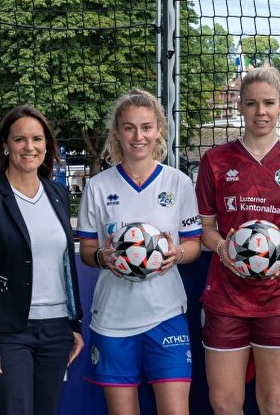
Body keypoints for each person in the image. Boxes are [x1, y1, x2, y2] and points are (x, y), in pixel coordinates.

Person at [195, 66, 280, 415]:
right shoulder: (215, 161)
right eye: (251, 104)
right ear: (240, 107)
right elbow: (206, 228)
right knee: (224, 403)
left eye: (267, 103)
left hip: (278, 297)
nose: (260, 112)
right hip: (225, 296)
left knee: (275, 403)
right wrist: (222, 248)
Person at [76, 89, 202, 415]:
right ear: (117, 131)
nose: (138, 136)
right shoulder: (98, 186)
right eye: (129, 127)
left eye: (146, 127)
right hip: (113, 321)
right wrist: (103, 258)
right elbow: (87, 250)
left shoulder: (178, 183)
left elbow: (193, 245)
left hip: (166, 315)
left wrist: (178, 254)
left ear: (159, 129)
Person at [0, 105, 85, 415]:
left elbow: (65, 264)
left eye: (37, 139)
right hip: (8, 334)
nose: (29, 147)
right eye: (20, 139)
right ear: (6, 145)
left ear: (47, 145)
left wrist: (74, 323)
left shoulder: (57, 193)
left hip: (56, 331)